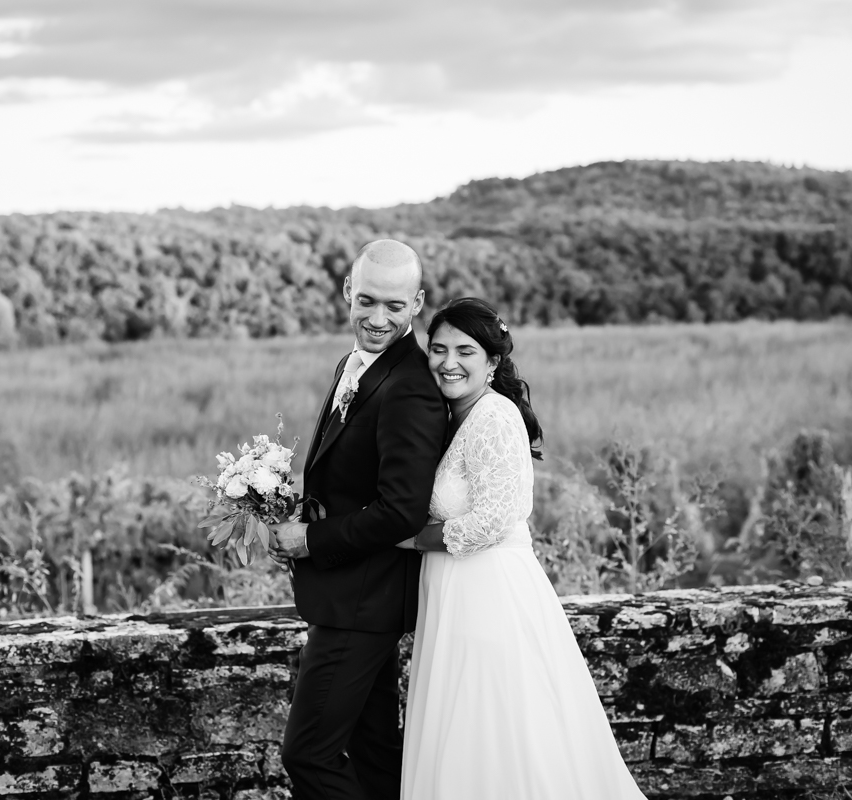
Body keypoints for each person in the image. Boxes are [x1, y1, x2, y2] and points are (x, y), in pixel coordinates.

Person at [394, 297, 648, 800]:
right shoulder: (451, 415)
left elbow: (494, 519)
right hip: (450, 591)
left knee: (493, 725)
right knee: (458, 728)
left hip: (488, 593)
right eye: (438, 349)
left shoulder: (495, 416)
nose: (448, 362)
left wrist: (406, 536)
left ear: (492, 361)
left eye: (465, 351)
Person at [268, 239, 448, 800]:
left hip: (363, 601)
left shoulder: (411, 386)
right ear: (348, 290)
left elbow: (402, 511)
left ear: (416, 303)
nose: (377, 318)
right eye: (367, 300)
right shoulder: (355, 364)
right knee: (375, 754)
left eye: (395, 306)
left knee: (308, 755)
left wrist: (310, 539)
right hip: (349, 594)